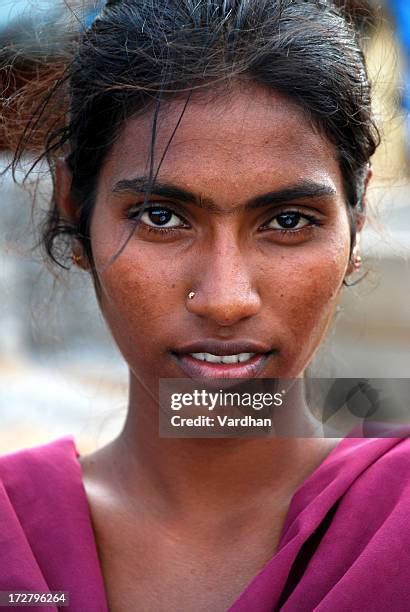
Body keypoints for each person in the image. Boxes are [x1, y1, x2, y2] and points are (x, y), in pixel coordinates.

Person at [0, 1, 409, 610]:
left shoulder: (397, 525)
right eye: (161, 217)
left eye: (289, 221)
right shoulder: (15, 537)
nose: (224, 300)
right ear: (73, 210)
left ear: (357, 220)